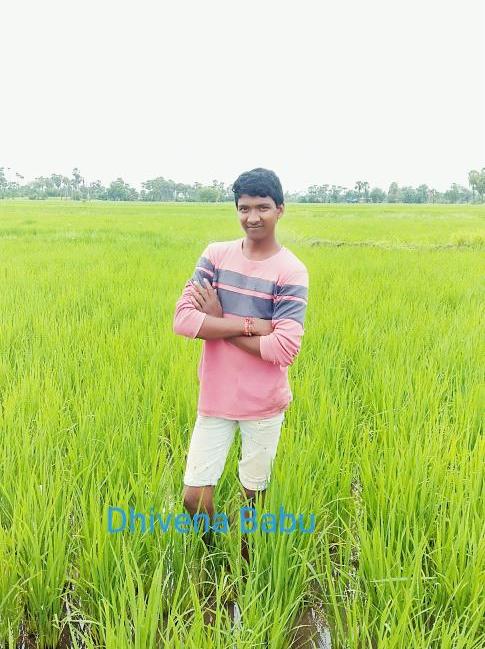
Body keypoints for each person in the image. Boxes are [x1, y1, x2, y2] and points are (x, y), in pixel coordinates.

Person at [172, 167, 309, 563]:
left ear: (280, 209)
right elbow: (183, 320)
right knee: (194, 496)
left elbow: (284, 347)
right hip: (215, 398)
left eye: (262, 207)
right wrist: (250, 325)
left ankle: (248, 565)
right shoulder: (216, 256)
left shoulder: (290, 270)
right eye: (244, 208)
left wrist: (218, 322)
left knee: (253, 496)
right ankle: (213, 553)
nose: (253, 217)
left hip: (263, 403)